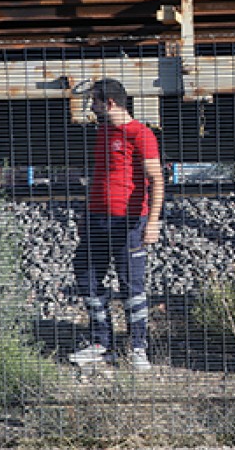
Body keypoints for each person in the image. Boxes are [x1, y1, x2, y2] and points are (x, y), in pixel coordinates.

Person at [68, 78, 166, 370]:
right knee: (86, 276)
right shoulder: (103, 133)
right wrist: (87, 212)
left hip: (128, 222)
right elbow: (100, 176)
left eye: (95, 101)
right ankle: (101, 343)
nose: (92, 107)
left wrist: (152, 221)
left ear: (109, 102)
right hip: (98, 218)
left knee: (131, 285)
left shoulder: (141, 134)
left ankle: (137, 347)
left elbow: (156, 179)